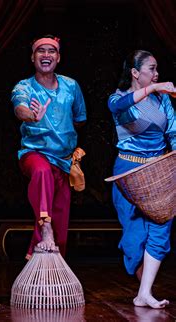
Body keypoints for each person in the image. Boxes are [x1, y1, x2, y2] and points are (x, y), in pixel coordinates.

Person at [108, 50, 175, 309]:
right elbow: (118, 108)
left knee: (161, 227)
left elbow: (173, 131)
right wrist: (155, 87)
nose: (156, 74)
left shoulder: (163, 101)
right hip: (129, 174)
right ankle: (141, 290)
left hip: (159, 172)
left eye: (157, 70)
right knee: (135, 237)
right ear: (135, 73)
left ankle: (144, 293)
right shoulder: (119, 98)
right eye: (151, 69)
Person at [10, 35, 87, 259]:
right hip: (34, 153)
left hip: (63, 159)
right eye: (40, 51)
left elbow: (80, 118)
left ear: (58, 57)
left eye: (51, 51)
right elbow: (19, 109)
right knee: (42, 172)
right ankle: (45, 228)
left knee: (61, 225)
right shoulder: (24, 86)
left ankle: (47, 278)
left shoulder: (71, 86)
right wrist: (32, 117)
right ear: (33, 57)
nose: (46, 55)